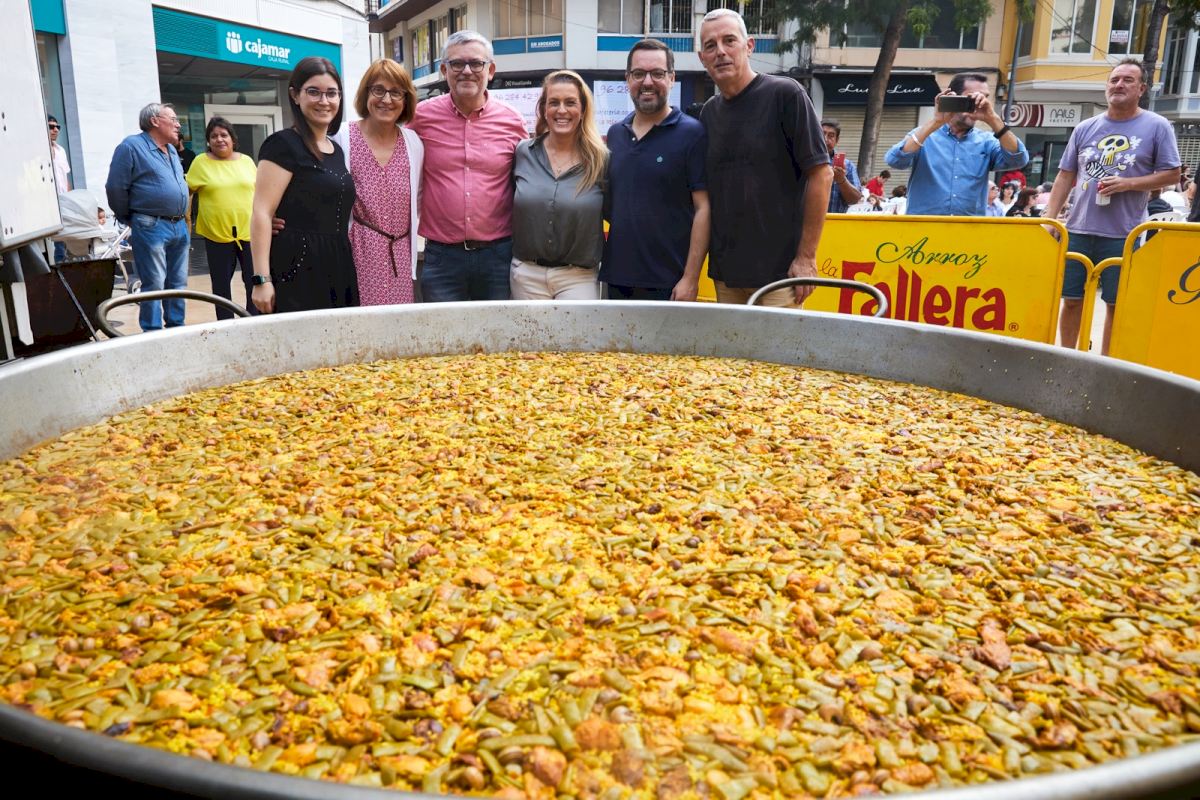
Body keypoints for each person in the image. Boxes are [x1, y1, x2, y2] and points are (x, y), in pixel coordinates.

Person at [1044, 59, 1181, 356]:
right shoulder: (1085, 127)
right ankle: (1067, 358)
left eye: (1128, 80)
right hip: (1078, 229)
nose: (1119, 85)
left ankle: (1105, 365)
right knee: (1071, 300)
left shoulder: (1157, 126)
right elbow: (1065, 175)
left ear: (1141, 88)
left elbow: (1172, 174)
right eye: (1114, 79)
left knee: (1116, 304)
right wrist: (1049, 219)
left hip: (1124, 234)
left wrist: (1128, 184)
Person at [698, 8, 831, 307]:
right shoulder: (709, 113)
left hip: (780, 276)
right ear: (702, 57)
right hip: (727, 276)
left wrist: (806, 257)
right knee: (729, 342)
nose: (720, 52)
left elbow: (822, 174)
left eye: (729, 40)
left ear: (749, 46)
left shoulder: (786, 94)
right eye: (710, 45)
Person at [410, 31, 527, 302]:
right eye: (456, 63)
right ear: (444, 70)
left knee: (496, 330)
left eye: (476, 63)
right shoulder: (421, 117)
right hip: (442, 258)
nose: (466, 71)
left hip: (497, 257)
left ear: (490, 70)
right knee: (443, 328)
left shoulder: (512, 121)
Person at [601, 39, 709, 302]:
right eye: (639, 73)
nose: (647, 82)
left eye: (657, 73)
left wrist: (690, 278)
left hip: (670, 284)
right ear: (628, 79)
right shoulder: (615, 135)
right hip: (618, 279)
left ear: (672, 78)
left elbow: (704, 209)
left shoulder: (692, 133)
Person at [250, 56, 357, 314]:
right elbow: (261, 212)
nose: (324, 101)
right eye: (314, 92)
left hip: (337, 260)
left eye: (331, 93)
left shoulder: (336, 150)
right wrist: (261, 279)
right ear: (295, 95)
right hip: (298, 265)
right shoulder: (282, 144)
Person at [332, 58, 424, 305]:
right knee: (357, 322)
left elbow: (418, 198)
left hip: (399, 256)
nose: (386, 99)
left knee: (398, 324)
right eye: (378, 90)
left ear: (405, 100)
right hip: (357, 253)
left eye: (396, 92)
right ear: (366, 93)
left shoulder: (413, 142)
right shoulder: (341, 137)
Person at [510, 71, 606, 300]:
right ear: (544, 109)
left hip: (579, 278)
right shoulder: (523, 152)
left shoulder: (602, 161)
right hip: (526, 276)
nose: (561, 110)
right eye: (554, 102)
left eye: (570, 102)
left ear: (583, 110)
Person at [885, 73, 1028, 216]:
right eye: (972, 98)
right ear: (952, 98)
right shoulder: (925, 135)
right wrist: (936, 122)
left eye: (984, 98)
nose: (979, 103)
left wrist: (993, 119)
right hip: (925, 226)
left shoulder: (986, 141)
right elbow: (895, 160)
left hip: (968, 226)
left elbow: (1018, 159)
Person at [105, 102, 190, 331]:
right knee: (154, 282)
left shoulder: (172, 150)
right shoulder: (131, 147)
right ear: (154, 121)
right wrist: (129, 217)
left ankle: (176, 327)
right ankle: (152, 332)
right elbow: (115, 188)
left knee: (178, 282)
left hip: (179, 225)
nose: (178, 125)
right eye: (173, 119)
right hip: (151, 224)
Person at [186, 117, 257, 319]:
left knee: (254, 281)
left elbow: (260, 191)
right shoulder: (201, 162)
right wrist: (185, 221)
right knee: (221, 285)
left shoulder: (247, 161)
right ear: (208, 141)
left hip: (249, 232)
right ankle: (225, 325)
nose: (219, 139)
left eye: (224, 135)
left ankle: (254, 321)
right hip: (216, 234)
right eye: (214, 136)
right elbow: (186, 193)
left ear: (233, 139)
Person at [822, 119, 862, 213]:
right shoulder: (803, 162)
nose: (825, 139)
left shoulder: (848, 166)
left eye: (831, 136)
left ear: (837, 140)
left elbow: (855, 199)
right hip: (806, 221)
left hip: (836, 221)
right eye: (822, 134)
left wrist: (841, 180)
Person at [48, 115, 70, 194]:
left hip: (64, 198)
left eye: (58, 127)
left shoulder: (61, 151)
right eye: (51, 127)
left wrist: (69, 197)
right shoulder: (39, 153)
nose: (56, 130)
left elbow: (66, 180)